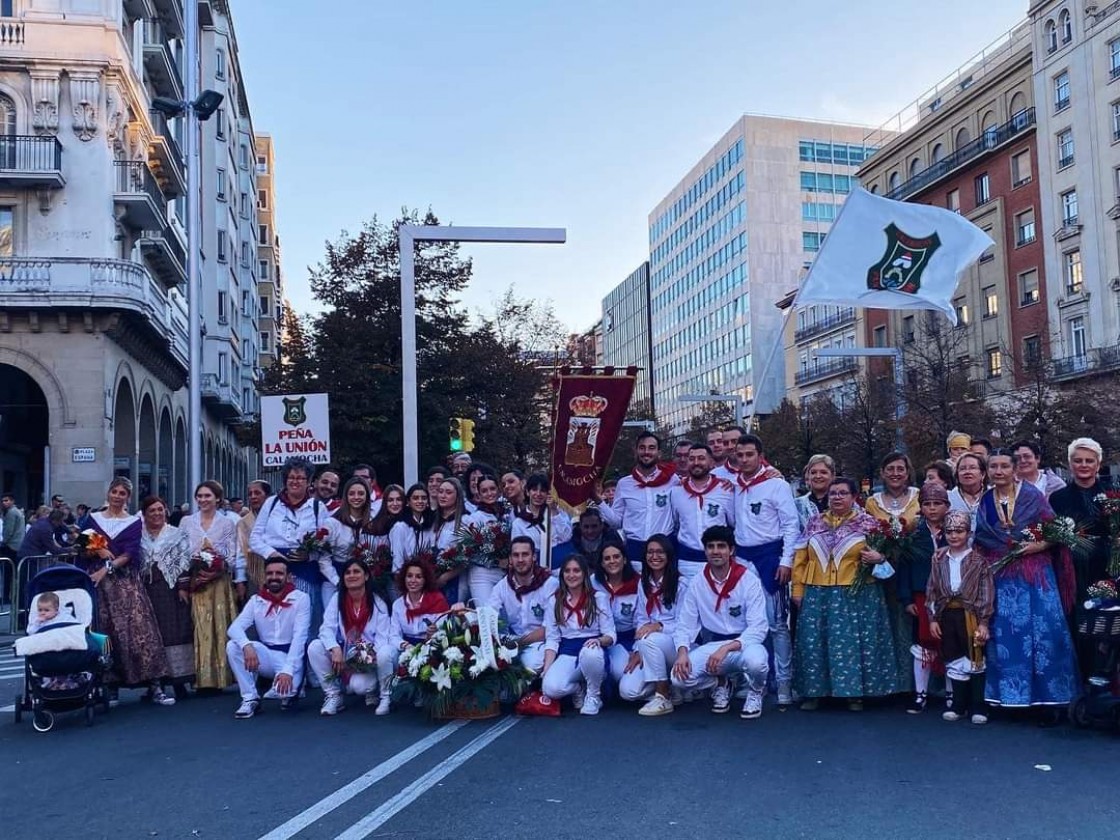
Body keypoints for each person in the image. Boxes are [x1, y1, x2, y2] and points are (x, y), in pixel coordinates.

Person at [975, 448, 1078, 718]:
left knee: (1044, 634)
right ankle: (1011, 697)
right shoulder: (985, 501)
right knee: (1007, 637)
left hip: (1036, 574)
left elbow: (1055, 532)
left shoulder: (1032, 496)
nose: (999, 471)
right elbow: (982, 539)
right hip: (1002, 577)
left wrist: (1036, 547)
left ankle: (1050, 701)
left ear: (1014, 469)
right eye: (993, 466)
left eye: (1004, 466)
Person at [792, 477, 899, 711]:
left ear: (854, 497)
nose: (837, 498)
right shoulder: (814, 523)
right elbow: (800, 560)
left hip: (855, 592)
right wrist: (798, 590)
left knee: (852, 644)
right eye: (833, 494)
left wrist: (879, 558)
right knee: (815, 643)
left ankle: (854, 694)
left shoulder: (869, 524)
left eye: (842, 493)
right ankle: (814, 693)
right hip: (817, 591)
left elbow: (886, 561)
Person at [82, 477, 173, 705]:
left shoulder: (132, 522)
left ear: (128, 497)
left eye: (122, 493)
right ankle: (110, 686)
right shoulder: (93, 518)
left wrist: (108, 567)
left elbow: (130, 552)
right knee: (105, 632)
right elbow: (83, 545)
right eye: (115, 491)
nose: (117, 496)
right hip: (98, 584)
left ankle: (155, 685)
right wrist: (99, 550)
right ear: (109, 492)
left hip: (124, 582)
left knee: (140, 630)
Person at [671, 525, 770, 719]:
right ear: (705, 550)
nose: (716, 551)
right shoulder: (697, 582)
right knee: (678, 678)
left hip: (744, 644)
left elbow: (759, 627)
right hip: (714, 644)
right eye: (711, 546)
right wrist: (682, 652)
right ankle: (721, 683)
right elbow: (685, 624)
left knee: (757, 663)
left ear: (731, 550)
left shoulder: (748, 580)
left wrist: (727, 648)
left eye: (721, 546)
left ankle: (756, 690)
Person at [733, 434, 799, 705]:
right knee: (744, 622)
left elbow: (791, 525)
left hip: (769, 557)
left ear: (760, 456)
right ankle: (752, 681)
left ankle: (784, 682)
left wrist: (786, 561)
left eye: (750, 454)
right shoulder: (732, 485)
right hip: (741, 559)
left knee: (777, 624)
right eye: (740, 455)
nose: (745, 459)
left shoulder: (777, 485)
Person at [1050, 437, 1112, 677]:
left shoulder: (1112, 494)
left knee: (1107, 624)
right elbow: (1051, 531)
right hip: (1072, 568)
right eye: (1078, 460)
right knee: (1078, 623)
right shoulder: (1058, 498)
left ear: (1098, 464)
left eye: (1089, 461)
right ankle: (1082, 683)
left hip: (1107, 566)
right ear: (1069, 464)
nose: (1083, 465)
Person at [250, 456, 334, 630]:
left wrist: (309, 554)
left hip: (305, 571)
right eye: (291, 478)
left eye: (300, 478)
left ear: (309, 482)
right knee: (276, 622)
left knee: (306, 623)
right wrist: (272, 554)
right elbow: (255, 539)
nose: (295, 482)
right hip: (275, 573)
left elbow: (326, 546)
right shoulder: (271, 504)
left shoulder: (318, 508)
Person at [927, 510, 994, 725]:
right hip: (948, 613)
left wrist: (984, 622)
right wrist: (933, 618)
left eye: (959, 531)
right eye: (949, 532)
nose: (954, 536)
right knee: (954, 657)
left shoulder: (978, 561)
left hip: (970, 614)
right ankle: (958, 705)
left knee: (975, 658)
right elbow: (932, 589)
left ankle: (978, 706)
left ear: (968, 533)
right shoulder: (938, 560)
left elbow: (986, 591)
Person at [863, 451, 921, 695]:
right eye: (890, 469)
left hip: (913, 566)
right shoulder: (872, 502)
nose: (896, 473)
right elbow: (867, 534)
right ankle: (888, 683)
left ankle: (915, 685)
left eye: (900, 469)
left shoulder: (920, 496)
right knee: (886, 624)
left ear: (908, 472)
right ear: (883, 473)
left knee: (912, 623)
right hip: (883, 570)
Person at [226, 557, 311, 718]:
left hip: (290, 657)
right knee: (233, 646)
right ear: (264, 576)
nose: (274, 577)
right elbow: (234, 628)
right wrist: (246, 645)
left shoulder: (301, 599)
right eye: (269, 573)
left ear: (288, 577)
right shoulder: (256, 600)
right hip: (266, 655)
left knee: (287, 693)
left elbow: (300, 638)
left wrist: (287, 671)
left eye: (279, 573)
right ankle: (250, 698)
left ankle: (294, 685)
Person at [308, 558, 394, 715]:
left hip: (369, 655)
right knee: (315, 647)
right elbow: (326, 629)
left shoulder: (377, 602)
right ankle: (333, 695)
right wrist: (334, 649)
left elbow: (382, 640)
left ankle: (376, 691)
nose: (351, 575)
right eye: (347, 572)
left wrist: (360, 658)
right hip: (344, 652)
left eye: (356, 571)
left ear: (366, 576)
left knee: (360, 687)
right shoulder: (337, 599)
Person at [181, 480, 240, 691]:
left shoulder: (227, 523)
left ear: (217, 499)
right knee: (199, 626)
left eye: (208, 496)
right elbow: (181, 553)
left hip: (218, 583)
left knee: (219, 627)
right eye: (200, 496)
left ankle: (220, 677)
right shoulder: (187, 522)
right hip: (197, 582)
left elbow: (233, 556)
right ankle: (200, 677)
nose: (203, 500)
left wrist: (217, 567)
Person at [541, 555, 616, 715]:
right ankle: (578, 688)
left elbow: (610, 635)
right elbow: (552, 638)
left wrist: (598, 640)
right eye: (567, 571)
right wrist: (547, 668)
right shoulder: (555, 601)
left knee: (590, 653)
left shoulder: (598, 598)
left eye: (576, 570)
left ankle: (594, 695)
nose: (571, 575)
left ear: (584, 574)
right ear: (562, 575)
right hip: (567, 651)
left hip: (592, 649)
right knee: (550, 688)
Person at [899, 482, 950, 715]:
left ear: (947, 506)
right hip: (922, 593)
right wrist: (907, 597)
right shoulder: (914, 532)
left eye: (937, 504)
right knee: (923, 643)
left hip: (950, 595)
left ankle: (952, 692)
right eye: (927, 504)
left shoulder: (955, 530)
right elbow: (905, 566)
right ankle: (921, 693)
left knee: (950, 643)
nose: (932, 509)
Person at [623, 535, 688, 715]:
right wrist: (638, 650)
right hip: (650, 644)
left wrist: (659, 626)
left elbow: (686, 624)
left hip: (675, 644)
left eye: (660, 552)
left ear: (668, 555)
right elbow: (642, 620)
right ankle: (670, 685)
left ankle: (662, 697)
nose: (654, 556)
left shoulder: (681, 584)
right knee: (628, 691)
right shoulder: (643, 583)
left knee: (648, 639)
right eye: (650, 552)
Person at [139, 495, 195, 699]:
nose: (156, 514)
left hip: (169, 589)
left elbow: (184, 560)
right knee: (150, 634)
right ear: (144, 514)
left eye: (160, 509)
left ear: (166, 512)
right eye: (151, 510)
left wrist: (183, 586)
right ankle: (155, 682)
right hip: (145, 588)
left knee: (174, 631)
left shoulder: (176, 534)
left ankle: (179, 680)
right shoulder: (139, 535)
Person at [599, 433, 679, 568]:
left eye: (651, 448)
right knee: (636, 588)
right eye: (642, 448)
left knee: (665, 588)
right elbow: (616, 522)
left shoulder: (673, 480)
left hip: (664, 550)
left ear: (659, 453)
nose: (646, 452)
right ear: (635, 451)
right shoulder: (624, 484)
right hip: (634, 551)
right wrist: (598, 500)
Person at [486, 536, 559, 675]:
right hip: (513, 642)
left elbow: (548, 630)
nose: (520, 560)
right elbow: (489, 615)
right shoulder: (502, 587)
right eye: (516, 555)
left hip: (541, 643)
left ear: (534, 557)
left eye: (525, 554)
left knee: (531, 663)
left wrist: (516, 644)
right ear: (510, 559)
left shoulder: (550, 584)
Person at [670, 443, 735, 580]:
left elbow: (734, 523)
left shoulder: (725, 490)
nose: (696, 463)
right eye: (691, 458)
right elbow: (675, 524)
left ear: (711, 462)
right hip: (687, 562)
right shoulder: (676, 492)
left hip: (719, 562)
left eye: (701, 458)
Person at [592, 541, 640, 699]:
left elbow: (644, 620)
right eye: (607, 558)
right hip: (600, 638)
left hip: (628, 639)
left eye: (616, 557)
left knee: (621, 672)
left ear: (625, 559)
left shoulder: (638, 584)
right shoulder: (593, 583)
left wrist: (638, 649)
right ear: (601, 563)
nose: (612, 561)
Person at [324, 477, 377, 606]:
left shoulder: (372, 521)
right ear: (345, 496)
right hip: (335, 579)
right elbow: (323, 558)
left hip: (364, 580)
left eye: (361, 493)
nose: (356, 497)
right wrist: (337, 581)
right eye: (352, 493)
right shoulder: (333, 523)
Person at [463, 474, 510, 605]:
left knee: (506, 617)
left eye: (492, 489)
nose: (489, 493)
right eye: (484, 490)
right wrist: (496, 561)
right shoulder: (474, 518)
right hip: (482, 574)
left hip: (506, 573)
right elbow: (468, 552)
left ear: (499, 489)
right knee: (487, 616)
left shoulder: (507, 514)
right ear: (478, 493)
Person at [388, 558, 450, 653]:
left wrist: (433, 633)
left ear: (425, 580)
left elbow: (443, 632)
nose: (413, 580)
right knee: (387, 653)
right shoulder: (398, 605)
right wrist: (405, 646)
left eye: (418, 577)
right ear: (404, 579)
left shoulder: (438, 601)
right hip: (405, 649)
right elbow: (394, 635)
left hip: (431, 648)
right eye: (409, 576)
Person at [511, 473, 572, 570]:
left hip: (561, 569)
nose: (538, 494)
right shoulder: (519, 523)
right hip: (535, 570)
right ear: (527, 492)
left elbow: (566, 536)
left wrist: (554, 511)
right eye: (534, 489)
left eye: (542, 491)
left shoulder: (558, 512)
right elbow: (518, 549)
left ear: (548, 493)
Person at [432, 477, 469, 603]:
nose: (443, 496)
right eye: (441, 491)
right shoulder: (436, 521)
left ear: (457, 496)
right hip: (436, 577)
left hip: (455, 579)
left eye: (448, 492)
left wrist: (445, 577)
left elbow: (466, 558)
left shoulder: (465, 521)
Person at [388, 484, 435, 573]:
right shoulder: (400, 527)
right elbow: (398, 560)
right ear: (408, 502)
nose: (420, 501)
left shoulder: (429, 525)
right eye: (416, 498)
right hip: (404, 577)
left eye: (424, 498)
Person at [236, 480, 272, 592]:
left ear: (268, 496)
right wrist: (240, 579)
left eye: (257, 493)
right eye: (250, 494)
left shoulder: (278, 517)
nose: (253, 497)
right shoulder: (243, 522)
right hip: (253, 575)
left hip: (277, 572)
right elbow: (240, 552)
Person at [948, 452, 987, 532]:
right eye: (962, 469)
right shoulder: (948, 497)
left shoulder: (992, 495)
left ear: (982, 474)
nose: (967, 472)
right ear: (957, 475)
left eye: (972, 468)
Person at [795, 454, 835, 531]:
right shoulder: (797, 505)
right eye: (813, 472)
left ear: (833, 476)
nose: (818, 476)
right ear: (808, 476)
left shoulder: (845, 501)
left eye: (823, 472)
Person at [365, 483, 406, 552]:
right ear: (385, 502)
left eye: (398, 499)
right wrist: (372, 562)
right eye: (390, 500)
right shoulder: (373, 526)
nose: (395, 503)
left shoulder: (411, 523)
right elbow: (365, 553)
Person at [1, 491, 24, 601]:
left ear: (12, 501)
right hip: (17, 545)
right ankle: (11, 595)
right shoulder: (18, 512)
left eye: (7, 500)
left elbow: (8, 530)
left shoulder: (11, 513)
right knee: (13, 572)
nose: (4, 503)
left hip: (11, 546)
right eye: (3, 501)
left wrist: (4, 542)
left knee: (7, 572)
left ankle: (6, 596)